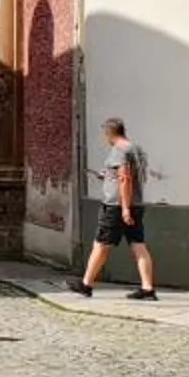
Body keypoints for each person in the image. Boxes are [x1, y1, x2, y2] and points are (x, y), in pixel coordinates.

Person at [72, 117, 160, 300]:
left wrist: (124, 209)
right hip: (136, 203)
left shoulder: (119, 150)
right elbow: (129, 176)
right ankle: (148, 288)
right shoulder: (136, 149)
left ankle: (86, 284)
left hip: (117, 206)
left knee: (101, 244)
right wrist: (107, 176)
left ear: (109, 133)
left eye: (105, 134)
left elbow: (125, 178)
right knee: (138, 245)